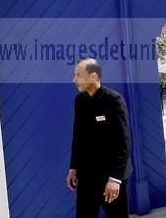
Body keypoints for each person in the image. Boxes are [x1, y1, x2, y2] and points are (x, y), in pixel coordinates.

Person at [66, 57, 133, 218]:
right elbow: (78, 137)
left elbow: (124, 142)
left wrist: (116, 179)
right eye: (75, 75)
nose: (74, 80)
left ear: (93, 76)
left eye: (78, 75)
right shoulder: (80, 101)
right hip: (87, 177)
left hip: (111, 178)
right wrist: (73, 167)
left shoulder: (114, 100)